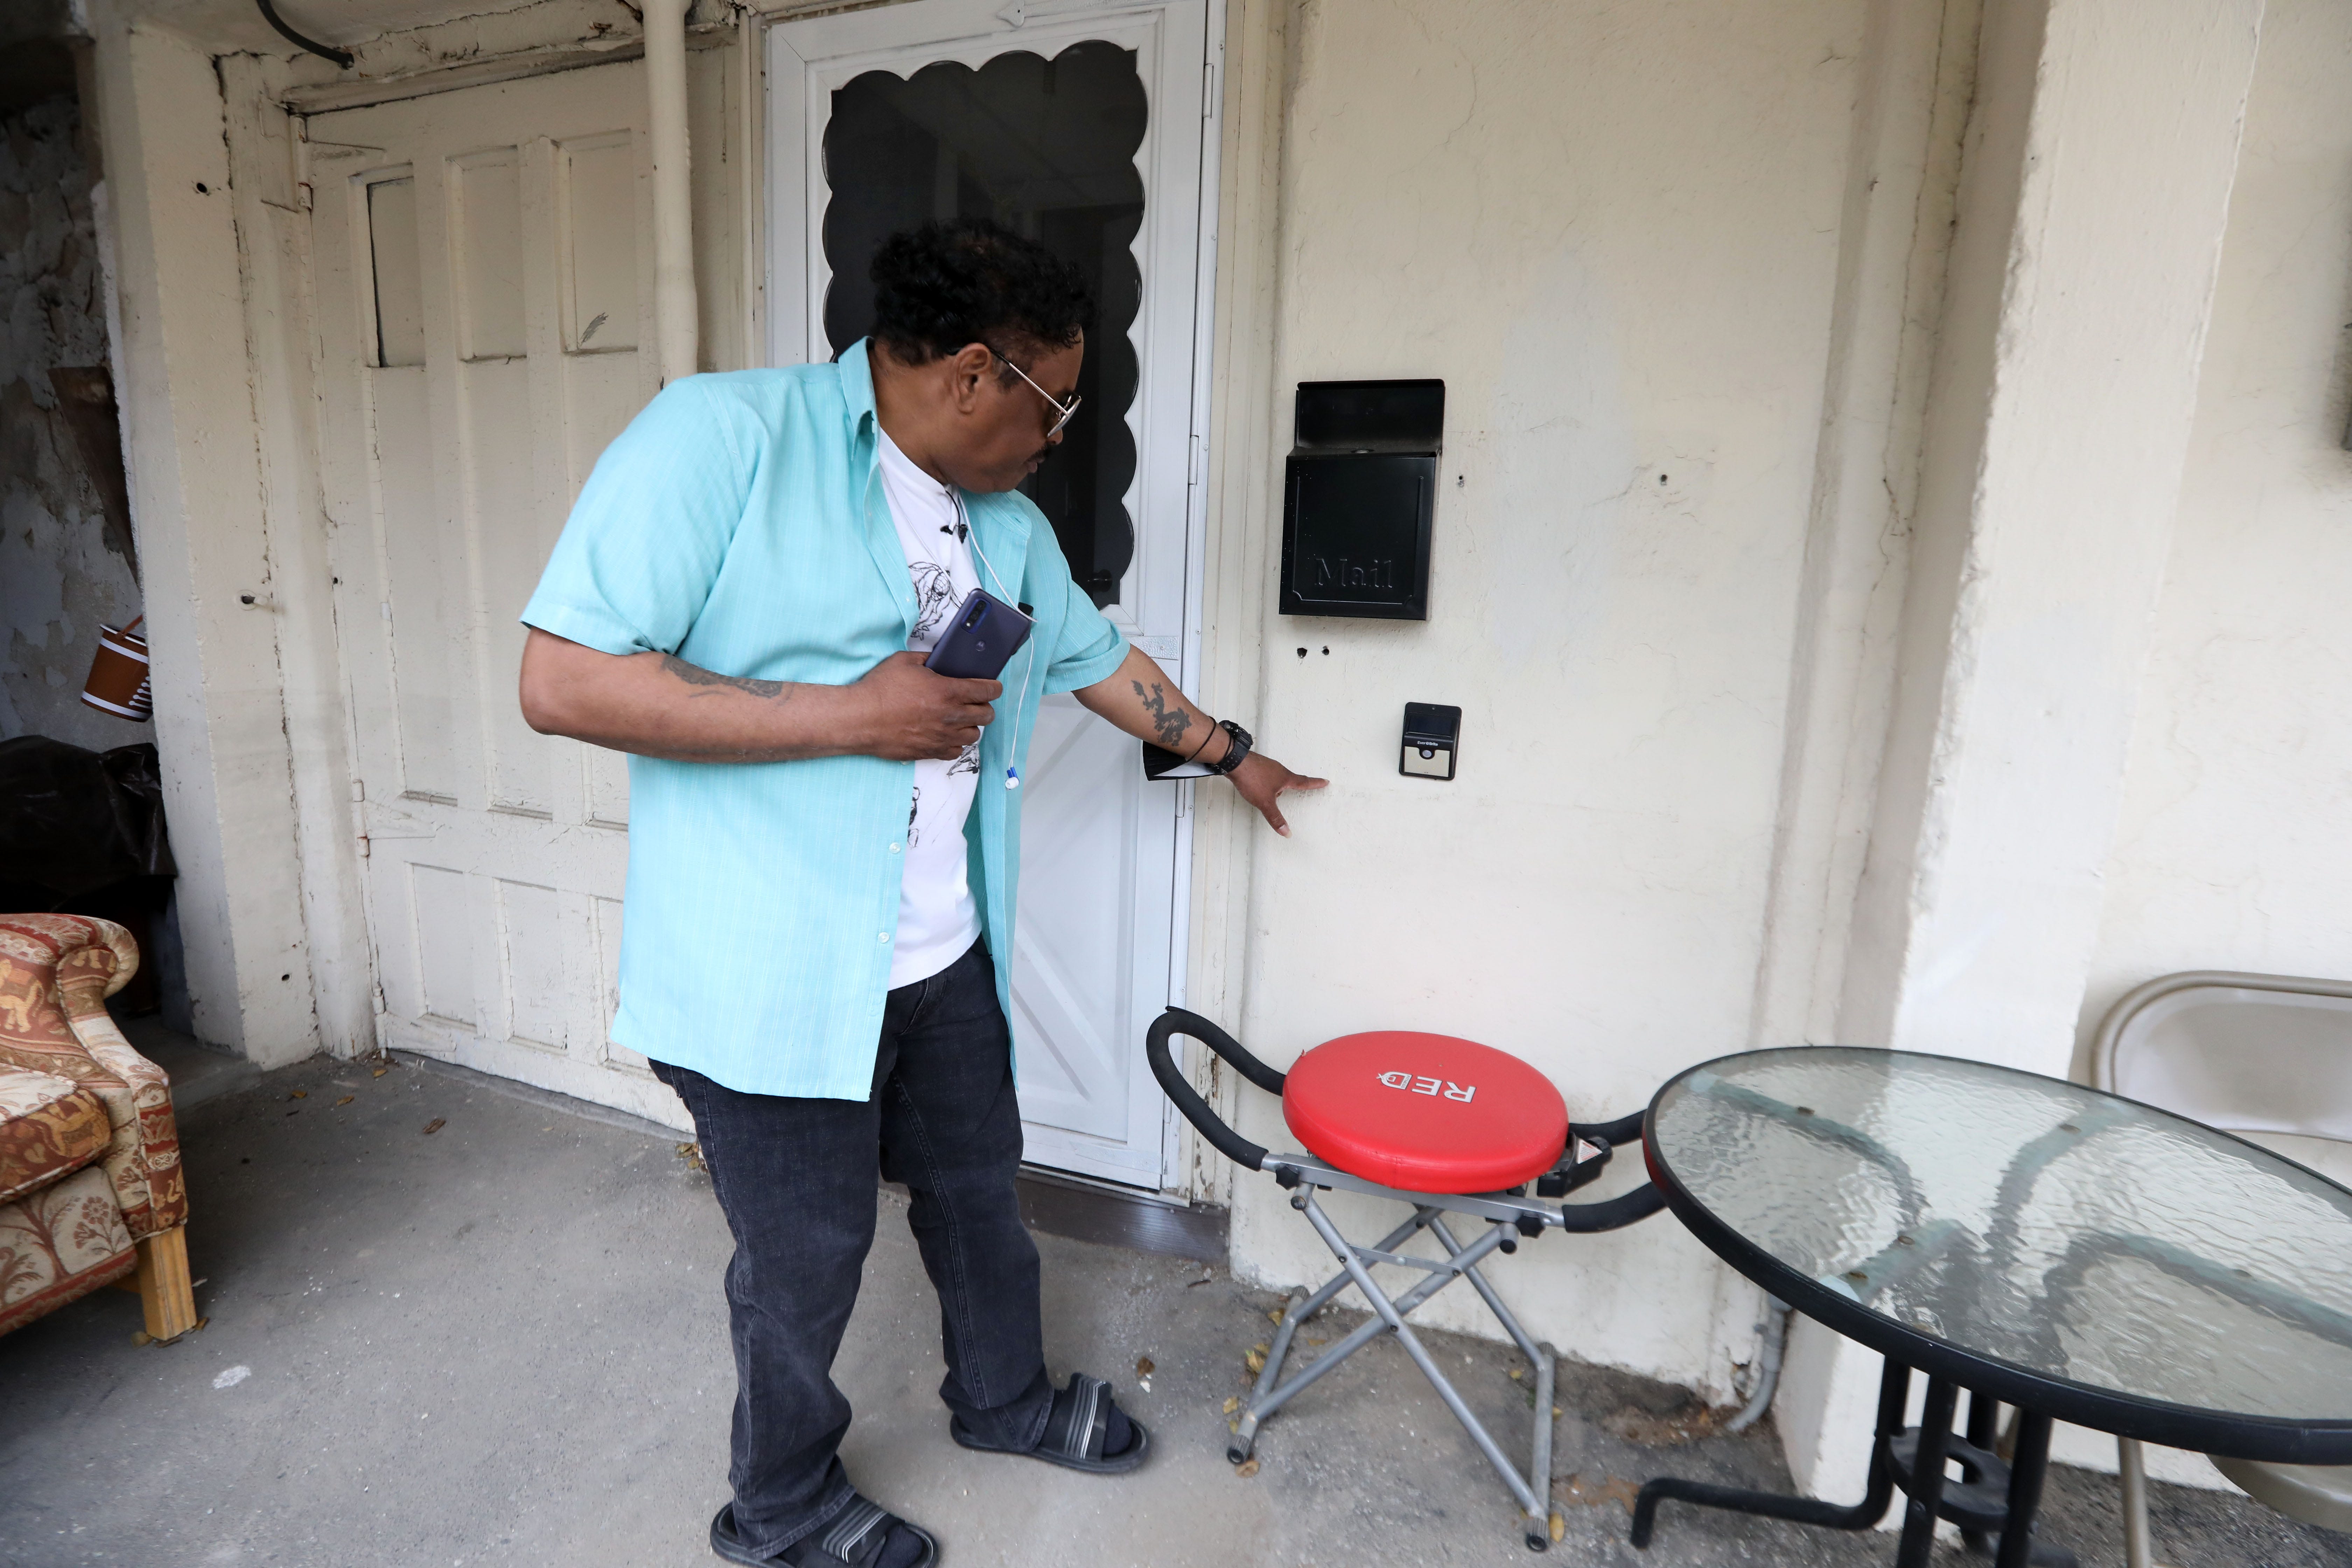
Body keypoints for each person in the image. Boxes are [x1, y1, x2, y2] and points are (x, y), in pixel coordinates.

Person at [515, 217, 1324, 1568]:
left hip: (944, 953)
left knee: (978, 1200)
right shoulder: (723, 441)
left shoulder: (1000, 524)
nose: (1060, 436)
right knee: (805, 1260)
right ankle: (775, 1508)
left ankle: (1000, 1400)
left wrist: (1231, 754)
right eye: (1055, 401)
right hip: (768, 967)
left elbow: (1094, 659)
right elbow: (565, 679)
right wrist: (850, 716)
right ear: (970, 374)